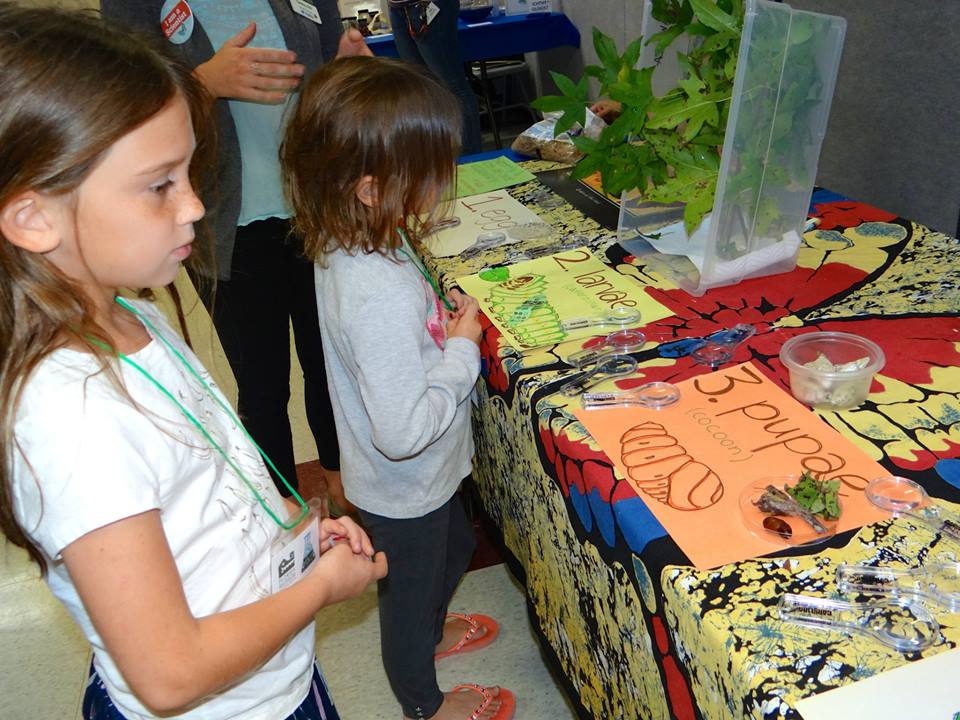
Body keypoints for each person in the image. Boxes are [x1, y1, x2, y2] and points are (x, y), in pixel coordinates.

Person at [0, 6, 387, 720]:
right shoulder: (70, 412)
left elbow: (208, 478)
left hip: (270, 679)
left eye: (189, 175)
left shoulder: (136, 314)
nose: (194, 207)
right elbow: (170, 675)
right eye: (160, 185)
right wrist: (319, 589)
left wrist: (290, 538)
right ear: (33, 217)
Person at [281, 56, 516, 720]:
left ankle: (433, 631)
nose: (443, 181)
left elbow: (388, 355)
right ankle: (423, 703)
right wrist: (463, 353)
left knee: (459, 550)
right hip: (404, 485)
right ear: (368, 187)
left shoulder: (355, 242)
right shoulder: (373, 284)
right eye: (430, 170)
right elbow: (404, 430)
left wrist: (436, 327)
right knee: (410, 599)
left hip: (417, 481)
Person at [101, 0, 365, 512]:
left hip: (317, 212)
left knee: (332, 365)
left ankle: (345, 492)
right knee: (263, 388)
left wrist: (348, 68)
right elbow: (116, 113)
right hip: (226, 226)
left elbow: (327, 78)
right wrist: (199, 83)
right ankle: (282, 515)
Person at [388, 0, 484, 155]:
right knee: (418, 87)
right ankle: (436, 159)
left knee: (451, 85)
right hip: (397, 7)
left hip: (427, 5)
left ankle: (470, 157)